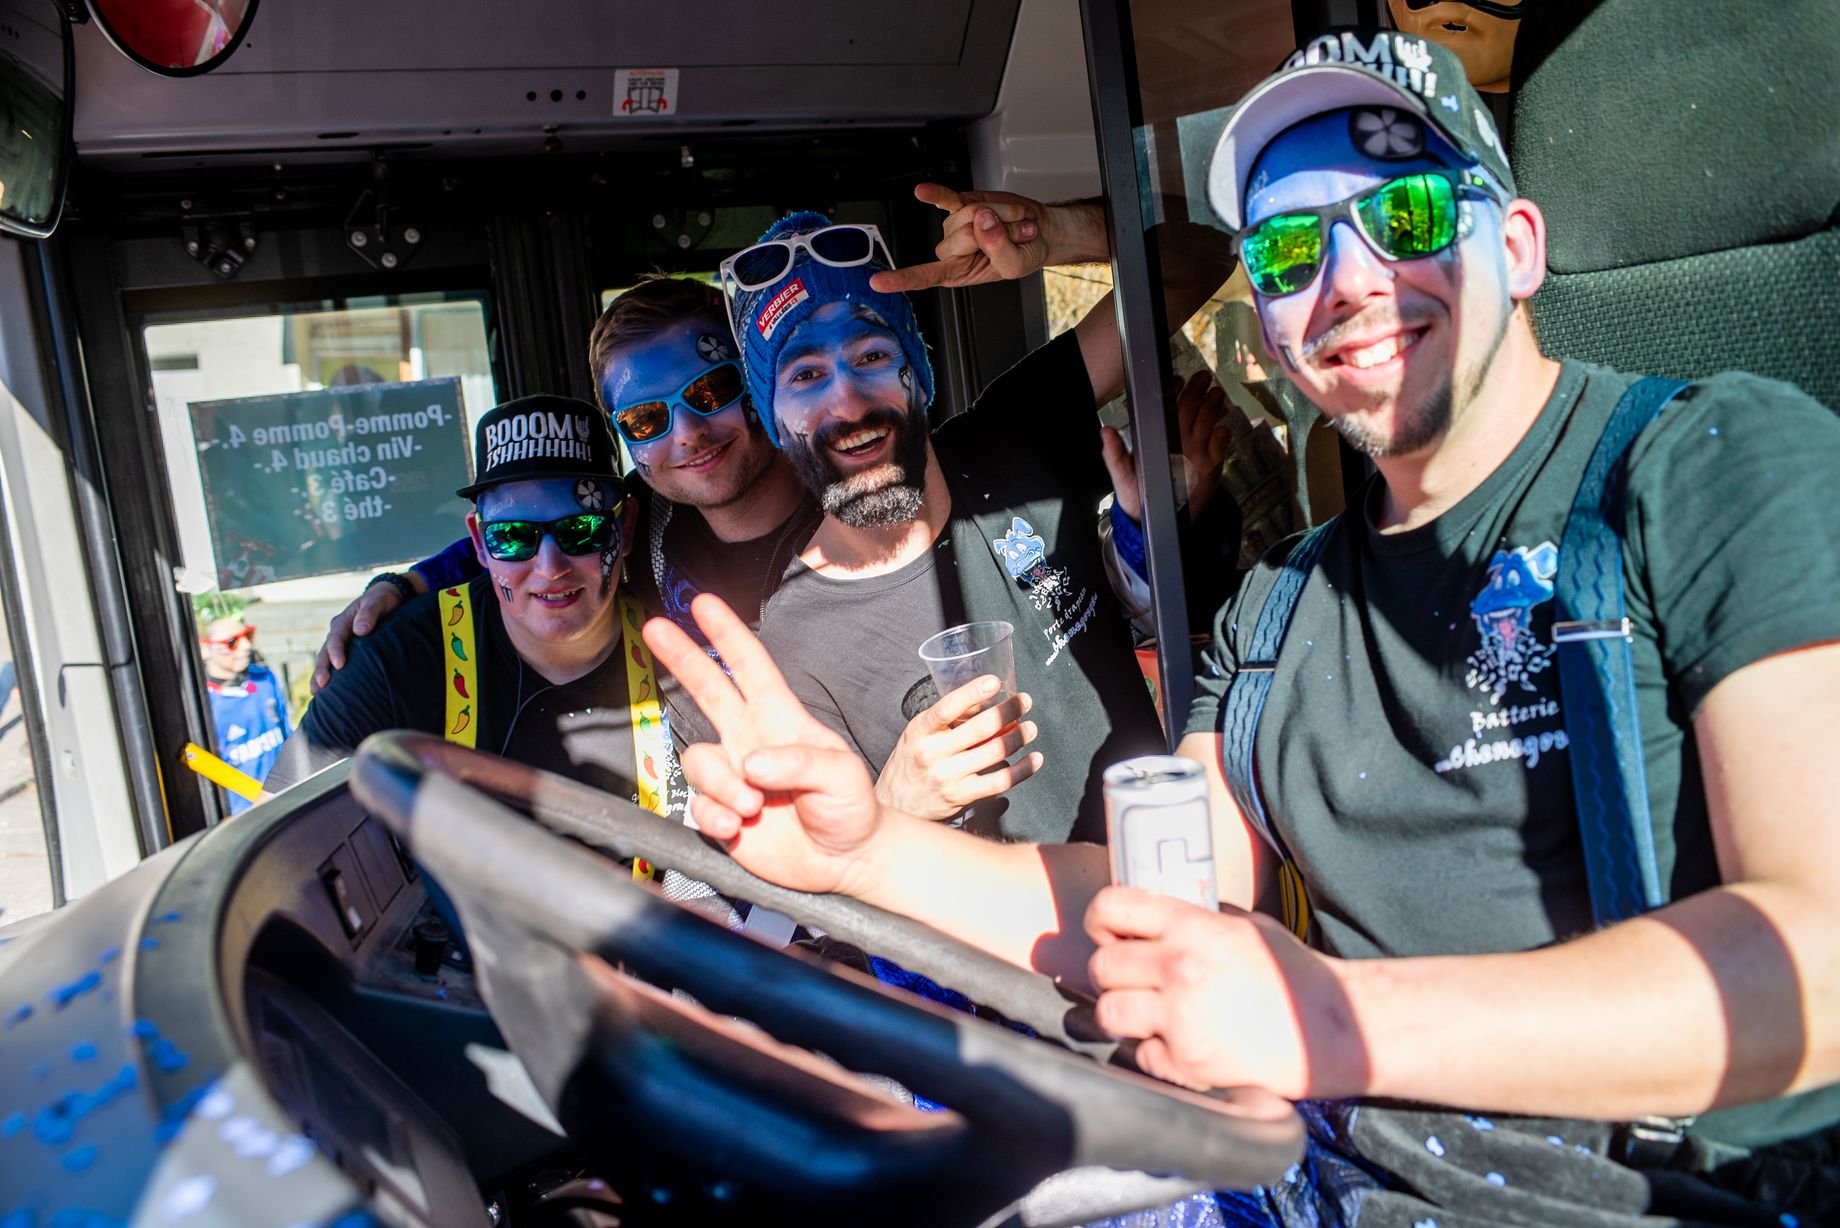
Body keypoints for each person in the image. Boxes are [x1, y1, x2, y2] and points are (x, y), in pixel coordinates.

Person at [647, 27, 1840, 1226]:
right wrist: (867, 853)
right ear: (1269, 322)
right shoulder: (1277, 612)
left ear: (1520, 244)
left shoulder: (1705, 466)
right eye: (1286, 251)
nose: (1347, 281)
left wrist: (1327, 1022)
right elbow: (1151, 904)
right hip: (1317, 1178)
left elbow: (1818, 957)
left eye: (1407, 214)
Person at [312, 277, 1045, 823]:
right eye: (645, 418)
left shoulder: (861, 476)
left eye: (712, 389)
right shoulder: (642, 522)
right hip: (823, 873)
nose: (687, 433)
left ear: (757, 383)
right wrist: (407, 584)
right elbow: (534, 534)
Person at [726, 210, 1241, 844]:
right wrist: (891, 805)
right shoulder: (793, 643)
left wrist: (1058, 235)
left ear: (919, 374)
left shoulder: (1015, 432)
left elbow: (1204, 255)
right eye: (805, 375)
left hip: (1169, 871)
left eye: (873, 354)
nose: (849, 403)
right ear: (775, 422)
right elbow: (813, 876)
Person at [263, 394, 660, 808]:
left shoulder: (680, 637)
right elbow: (277, 826)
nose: (550, 567)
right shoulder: (394, 661)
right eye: (511, 536)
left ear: (626, 527)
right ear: (479, 543)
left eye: (582, 530)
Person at [196, 599, 290, 813]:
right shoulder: (205, 706)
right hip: (246, 815)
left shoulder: (264, 678)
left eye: (248, 635)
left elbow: (287, 733)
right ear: (204, 649)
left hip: (288, 797)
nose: (246, 646)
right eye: (232, 642)